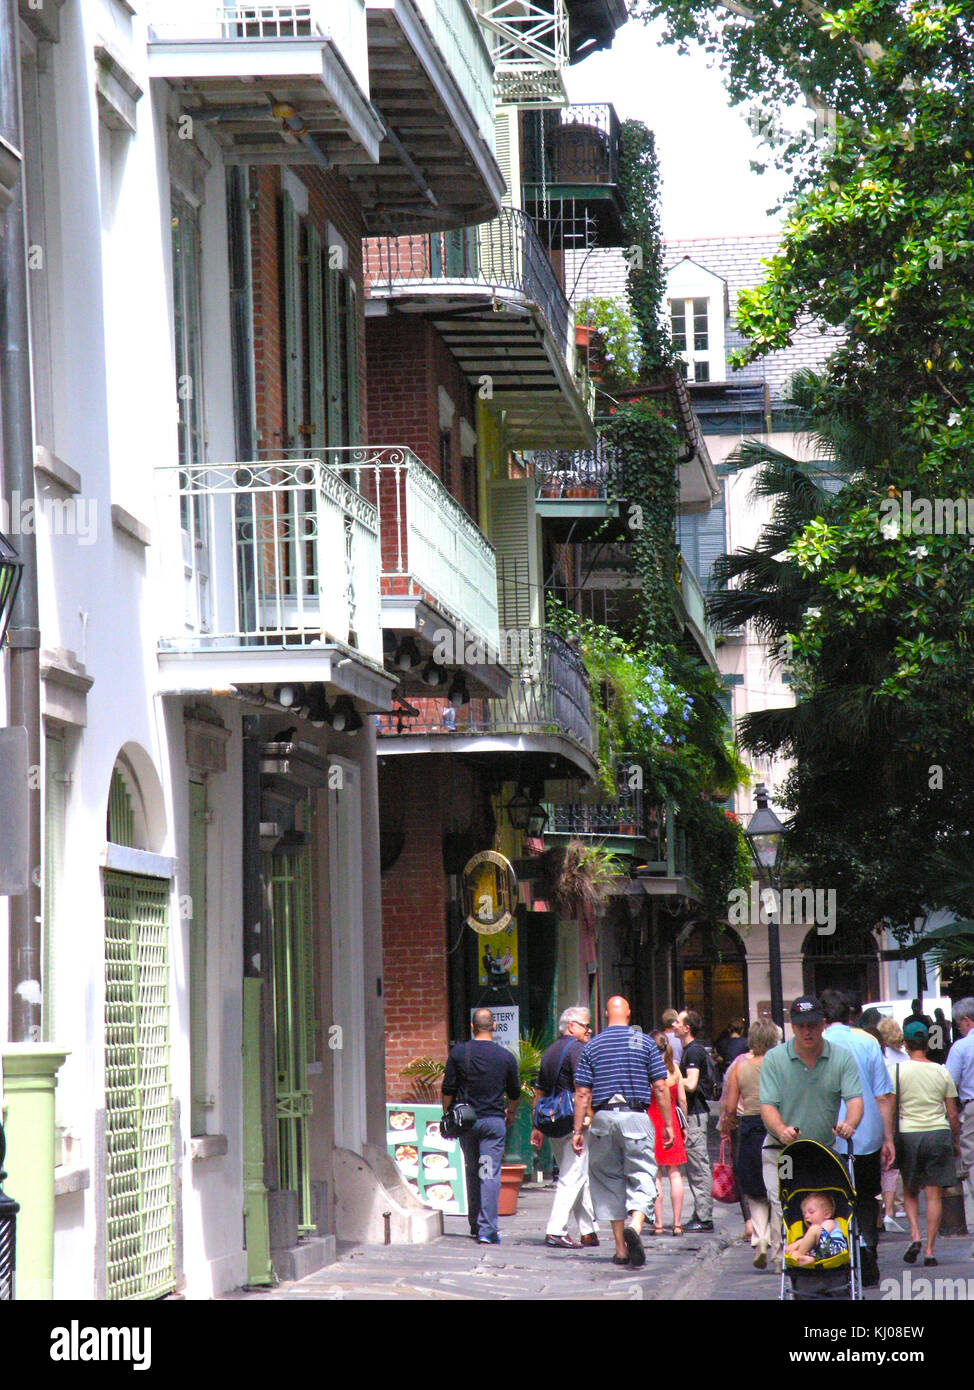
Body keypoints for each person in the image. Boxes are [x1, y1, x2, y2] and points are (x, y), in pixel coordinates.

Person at [759, 995, 863, 1271]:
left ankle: (821, 1258)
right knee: (784, 1204)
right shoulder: (775, 1059)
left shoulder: (840, 1057)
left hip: (824, 1151)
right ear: (793, 1026)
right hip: (784, 1152)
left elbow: (854, 1099)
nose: (807, 1031)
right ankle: (790, 1262)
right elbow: (767, 1105)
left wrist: (850, 1123)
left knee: (826, 1205)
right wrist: (781, 1129)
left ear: (823, 1024)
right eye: (802, 1025)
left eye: (813, 1025)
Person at [572, 996, 673, 1268]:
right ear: (629, 1013)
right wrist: (667, 1123)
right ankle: (636, 1225)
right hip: (636, 1116)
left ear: (606, 1014)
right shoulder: (644, 1042)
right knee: (643, 1173)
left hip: (603, 1118)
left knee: (608, 1180)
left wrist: (577, 1129)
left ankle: (620, 1249)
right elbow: (661, 1087)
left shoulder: (591, 1046)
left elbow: (582, 1092)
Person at [821, 988, 895, 1287]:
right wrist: (888, 1137)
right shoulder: (868, 1042)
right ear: (850, 1015)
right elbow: (883, 1095)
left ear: (823, 1017)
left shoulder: (815, 1043)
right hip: (866, 1133)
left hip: (827, 1134)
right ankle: (867, 1247)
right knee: (866, 1196)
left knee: (832, 1197)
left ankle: (838, 1256)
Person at [442, 1008, 520, 1245]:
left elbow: (448, 1089)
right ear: (494, 1027)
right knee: (488, 1172)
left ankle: (475, 1224)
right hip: (493, 1123)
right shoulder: (505, 1057)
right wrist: (511, 1111)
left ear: (472, 1026)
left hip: (467, 1122)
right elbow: (514, 1092)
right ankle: (487, 1229)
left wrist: (447, 1113)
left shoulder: (458, 1052)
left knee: (472, 1170)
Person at [893, 1020, 961, 1266]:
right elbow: (952, 1113)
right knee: (934, 1196)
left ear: (906, 1044)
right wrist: (955, 1140)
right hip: (938, 1133)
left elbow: (890, 1107)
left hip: (909, 1134)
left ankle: (915, 1234)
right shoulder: (942, 1071)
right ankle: (931, 1251)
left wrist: (888, 1141)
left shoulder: (898, 1071)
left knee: (910, 1190)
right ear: (928, 1043)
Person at [531, 1007, 599, 1249]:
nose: (589, 1031)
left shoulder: (550, 1050)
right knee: (573, 1176)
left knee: (577, 1174)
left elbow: (539, 1091)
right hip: (572, 1121)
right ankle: (556, 1229)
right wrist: (583, 1123)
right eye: (585, 1026)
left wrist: (536, 1126)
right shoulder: (578, 1049)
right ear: (571, 1025)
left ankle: (588, 1230)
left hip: (551, 1121)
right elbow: (582, 1089)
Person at [719, 1018, 781, 1269]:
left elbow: (731, 1107)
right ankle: (778, 1253)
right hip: (776, 1128)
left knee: (754, 1190)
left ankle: (761, 1238)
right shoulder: (780, 1065)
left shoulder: (740, 1069)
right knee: (777, 1192)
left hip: (750, 1128)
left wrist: (729, 1123)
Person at [673, 1009, 715, 1232]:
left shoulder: (693, 1052)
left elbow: (691, 1083)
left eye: (678, 1021)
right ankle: (701, 1213)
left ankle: (704, 1216)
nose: (674, 1023)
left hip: (695, 1115)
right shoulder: (689, 1051)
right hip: (694, 1114)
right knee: (695, 1165)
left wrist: (672, 1074)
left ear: (687, 1027)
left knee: (698, 1165)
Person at [648, 1030, 688, 1235]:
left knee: (655, 1174)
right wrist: (684, 1125)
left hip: (652, 1121)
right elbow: (682, 1100)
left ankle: (658, 1224)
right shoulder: (675, 1070)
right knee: (675, 1174)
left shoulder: (648, 1071)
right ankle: (678, 1223)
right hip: (671, 1119)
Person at [877, 1017, 910, 1231]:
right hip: (901, 1113)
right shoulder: (905, 1058)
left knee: (881, 1163)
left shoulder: (881, 1057)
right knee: (894, 1163)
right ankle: (895, 1206)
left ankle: (882, 1208)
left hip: (880, 1111)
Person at [945, 997, 974, 1244]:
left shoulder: (961, 1048)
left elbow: (949, 1084)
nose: (958, 1028)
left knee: (972, 1162)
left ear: (967, 1020)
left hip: (971, 1108)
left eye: (959, 1023)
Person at [785, 1192, 849, 1266]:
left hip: (835, 1249)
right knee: (793, 1252)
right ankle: (810, 1259)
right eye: (804, 1214)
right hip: (821, 1253)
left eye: (811, 1212)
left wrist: (797, 1244)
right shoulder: (811, 1233)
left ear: (826, 1214)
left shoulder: (830, 1223)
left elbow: (818, 1232)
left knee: (814, 1230)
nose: (806, 1216)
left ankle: (799, 1255)